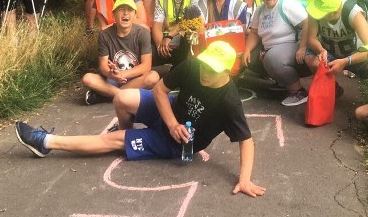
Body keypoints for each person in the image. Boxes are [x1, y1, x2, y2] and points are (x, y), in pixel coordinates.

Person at [15, 41, 266, 198]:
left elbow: (246, 140)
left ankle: (45, 142)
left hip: (177, 143)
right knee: (122, 99)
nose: (204, 72)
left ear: (228, 72)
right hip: (169, 114)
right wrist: (171, 122)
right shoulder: (191, 66)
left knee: (112, 140)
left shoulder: (229, 101)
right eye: (204, 65)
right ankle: (128, 133)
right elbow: (159, 90)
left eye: (212, 70)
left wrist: (244, 179)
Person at [242, 0, 310, 106]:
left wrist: (302, 47)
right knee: (251, 56)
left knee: (272, 58)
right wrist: (247, 50)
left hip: (291, 45)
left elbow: (307, 23)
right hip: (272, 48)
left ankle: (298, 92)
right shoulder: (261, 9)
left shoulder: (286, 4)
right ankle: (283, 82)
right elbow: (255, 32)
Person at [83, 0, 159, 105]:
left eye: (130, 10)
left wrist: (122, 74)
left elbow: (146, 65)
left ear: (134, 15)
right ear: (113, 15)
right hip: (112, 78)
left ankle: (104, 96)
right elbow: (103, 66)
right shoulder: (105, 35)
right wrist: (112, 74)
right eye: (121, 10)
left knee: (153, 77)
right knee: (87, 78)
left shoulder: (143, 33)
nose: (126, 13)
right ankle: (122, 95)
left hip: (134, 78)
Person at [303, 0, 368, 79]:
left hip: (353, 53)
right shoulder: (315, 9)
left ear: (335, 12)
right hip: (328, 49)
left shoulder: (353, 14)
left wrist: (345, 61)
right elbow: (312, 38)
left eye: (322, 14)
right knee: (311, 59)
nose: (318, 16)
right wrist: (321, 50)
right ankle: (333, 88)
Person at [152, 0, 207, 66]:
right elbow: (157, 26)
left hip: (188, 36)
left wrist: (170, 36)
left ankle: (182, 70)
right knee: (150, 51)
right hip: (167, 38)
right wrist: (160, 46)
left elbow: (193, 16)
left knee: (188, 33)